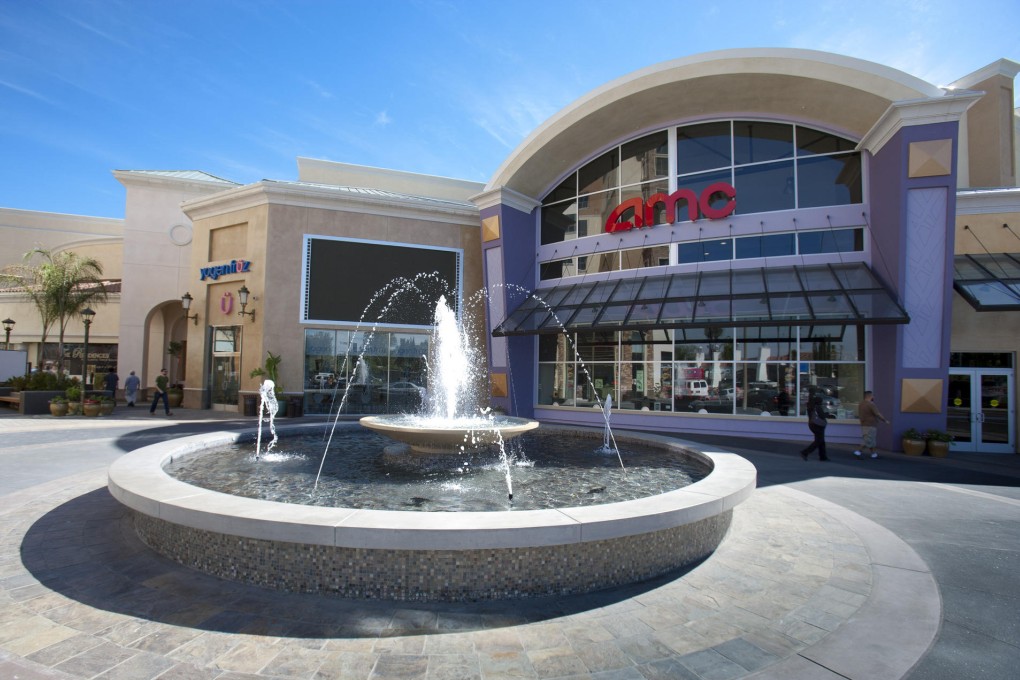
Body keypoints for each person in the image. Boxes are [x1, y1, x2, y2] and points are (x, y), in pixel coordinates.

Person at [856, 390, 889, 459]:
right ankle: (859, 451)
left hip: (864, 424)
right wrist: (885, 420)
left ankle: (873, 453)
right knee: (868, 439)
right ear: (870, 396)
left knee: (870, 439)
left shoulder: (861, 404)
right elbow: (877, 414)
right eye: (872, 395)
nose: (873, 397)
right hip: (871, 424)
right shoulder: (871, 404)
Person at [800, 396, 829, 461]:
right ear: (819, 402)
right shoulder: (818, 407)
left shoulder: (811, 407)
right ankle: (805, 452)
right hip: (819, 426)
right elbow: (822, 416)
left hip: (812, 425)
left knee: (821, 441)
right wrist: (827, 414)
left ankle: (823, 457)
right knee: (819, 441)